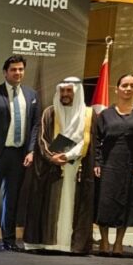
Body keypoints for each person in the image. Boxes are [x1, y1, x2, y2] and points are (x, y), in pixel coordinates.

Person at [22, 77, 96, 254]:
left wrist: (69, 155)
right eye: (62, 91)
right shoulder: (50, 112)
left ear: (76, 92)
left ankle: (70, 244)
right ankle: (49, 243)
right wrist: (52, 157)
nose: (65, 94)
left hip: (77, 166)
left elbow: (88, 140)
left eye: (69, 90)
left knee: (72, 203)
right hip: (52, 167)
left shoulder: (88, 114)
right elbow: (41, 139)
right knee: (52, 203)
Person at [0, 55, 40, 251]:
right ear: (5, 72)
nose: (18, 73)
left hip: (19, 155)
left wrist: (31, 150)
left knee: (12, 199)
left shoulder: (31, 95)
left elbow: (35, 125)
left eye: (21, 69)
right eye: (13, 69)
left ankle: (9, 240)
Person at [93, 74, 133, 257]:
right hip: (108, 164)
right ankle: (104, 241)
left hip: (131, 165)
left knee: (126, 203)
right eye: (124, 85)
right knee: (105, 203)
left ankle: (118, 243)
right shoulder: (105, 114)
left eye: (132, 85)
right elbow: (97, 140)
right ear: (116, 89)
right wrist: (97, 162)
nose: (128, 89)